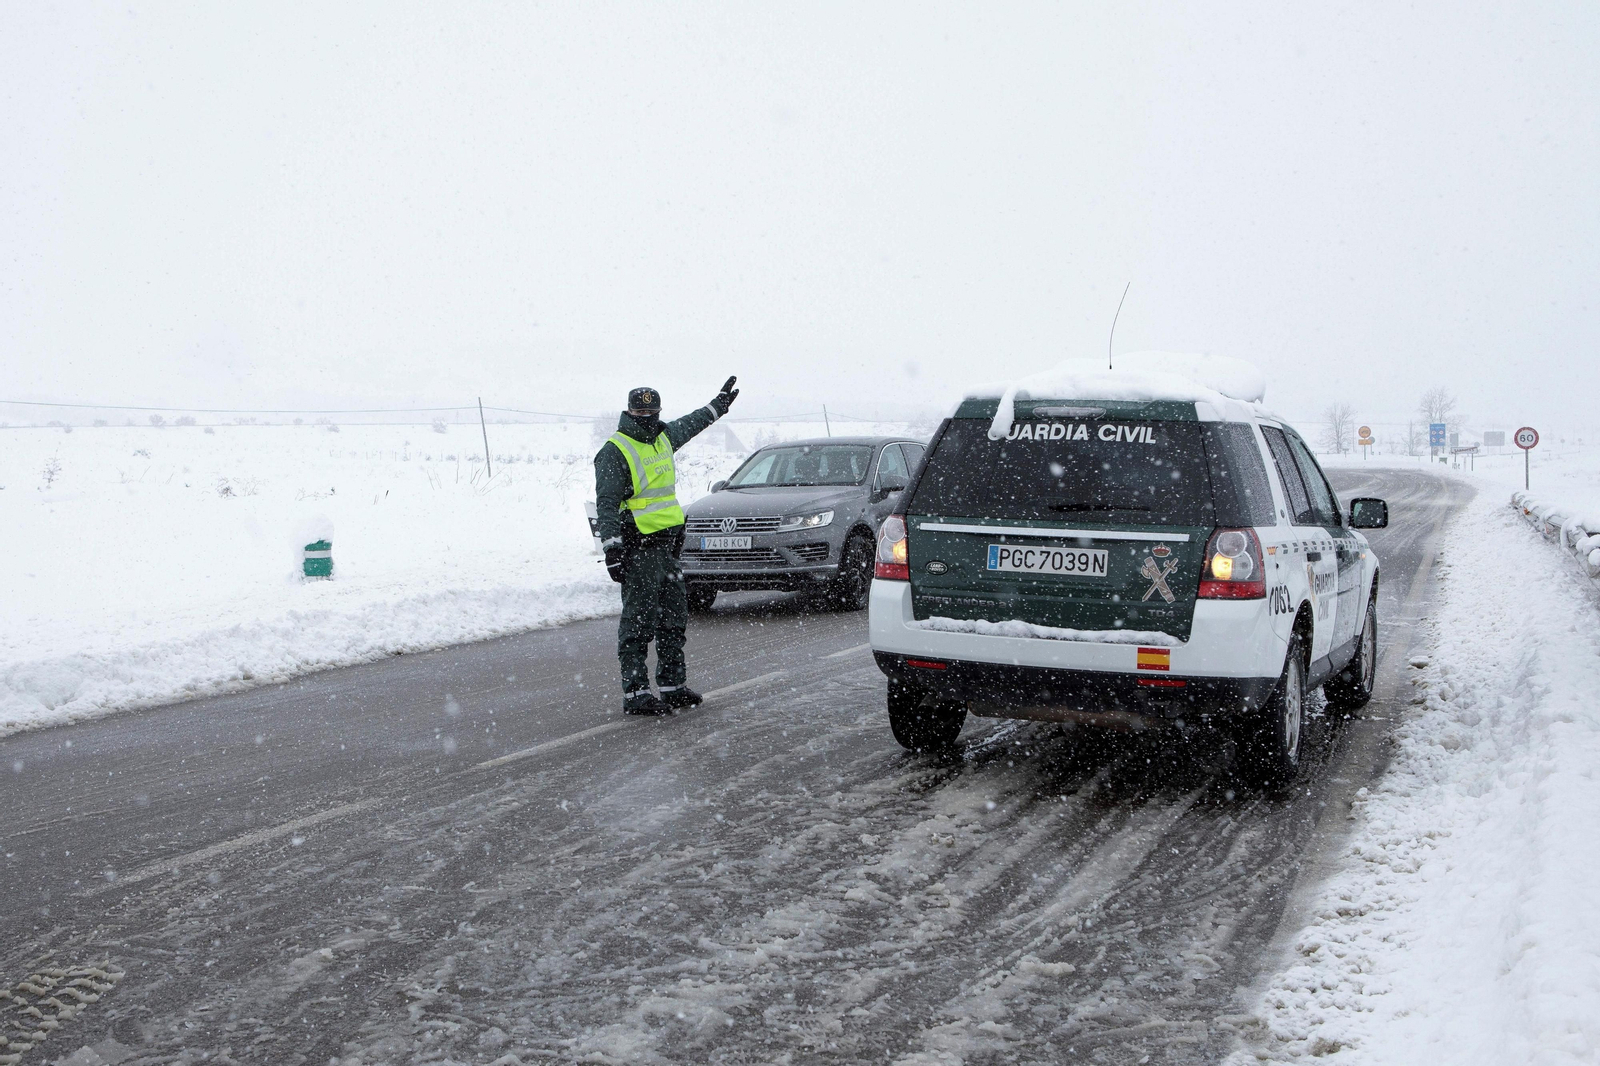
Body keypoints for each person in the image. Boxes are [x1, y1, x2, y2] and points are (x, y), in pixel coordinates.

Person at [595, 377, 740, 715]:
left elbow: (691, 424)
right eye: (640, 411)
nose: (646, 416)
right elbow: (606, 504)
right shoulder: (615, 451)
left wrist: (716, 407)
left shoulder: (662, 437)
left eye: (651, 411)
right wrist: (612, 549)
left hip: (668, 550)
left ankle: (673, 685)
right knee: (638, 624)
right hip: (639, 551)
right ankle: (636, 693)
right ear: (630, 412)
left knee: (673, 619)